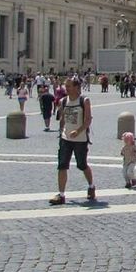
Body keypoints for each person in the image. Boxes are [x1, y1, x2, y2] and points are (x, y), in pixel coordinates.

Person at [49, 77, 95, 205]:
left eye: (69, 86)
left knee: (82, 165)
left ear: (76, 87)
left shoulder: (84, 101)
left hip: (80, 139)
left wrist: (78, 131)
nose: (66, 88)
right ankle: (61, 195)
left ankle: (91, 186)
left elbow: (88, 120)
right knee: (62, 165)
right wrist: (61, 131)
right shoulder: (63, 101)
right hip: (66, 138)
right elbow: (63, 118)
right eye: (66, 86)